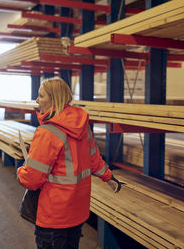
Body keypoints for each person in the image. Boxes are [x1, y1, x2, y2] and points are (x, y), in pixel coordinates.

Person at [17, 77, 121, 249]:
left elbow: (32, 179)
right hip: (76, 213)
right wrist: (108, 177)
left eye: (41, 96)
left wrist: (21, 171)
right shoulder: (81, 126)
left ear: (54, 99)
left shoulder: (47, 132)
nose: (37, 100)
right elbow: (94, 158)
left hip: (54, 216)